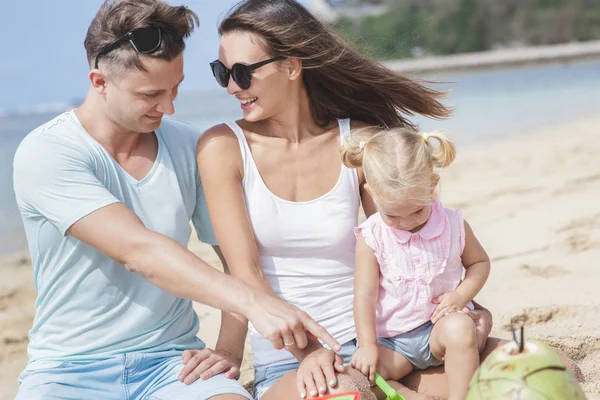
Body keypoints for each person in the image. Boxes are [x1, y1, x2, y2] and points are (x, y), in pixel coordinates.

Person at [12, 1, 340, 399]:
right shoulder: (48, 152)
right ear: (99, 82)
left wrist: (230, 349)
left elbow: (233, 257)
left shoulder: (187, 144)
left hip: (174, 366)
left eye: (176, 88)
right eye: (151, 94)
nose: (168, 107)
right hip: (69, 371)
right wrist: (257, 305)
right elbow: (140, 251)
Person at [188, 1, 497, 399]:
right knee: (350, 394)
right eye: (222, 73)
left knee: (541, 370)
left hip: (388, 342)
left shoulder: (359, 141)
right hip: (292, 358)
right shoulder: (221, 147)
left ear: (292, 66)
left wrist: (467, 308)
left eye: (243, 73)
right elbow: (245, 273)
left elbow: (407, 239)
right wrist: (311, 351)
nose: (232, 87)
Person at [343, 128, 490, 400]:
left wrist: (461, 295)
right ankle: (407, 393)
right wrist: (367, 345)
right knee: (355, 378)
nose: (407, 223)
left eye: (417, 211)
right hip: (394, 342)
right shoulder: (372, 235)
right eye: (393, 215)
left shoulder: (453, 224)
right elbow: (364, 295)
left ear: (432, 185)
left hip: (439, 331)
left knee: (460, 329)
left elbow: (479, 263)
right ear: (372, 193)